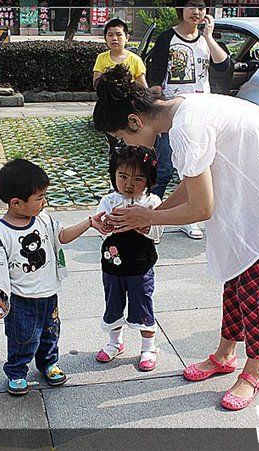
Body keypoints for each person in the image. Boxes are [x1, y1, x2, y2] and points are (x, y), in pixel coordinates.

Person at [94, 65, 259, 410]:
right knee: (235, 277)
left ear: (134, 121)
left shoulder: (187, 126)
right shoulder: (182, 107)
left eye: (121, 139)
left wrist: (150, 216)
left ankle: (253, 372)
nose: (123, 147)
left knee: (254, 289)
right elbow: (192, 182)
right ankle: (224, 354)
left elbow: (201, 209)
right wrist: (147, 220)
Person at [0, 159, 107, 395]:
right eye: (39, 198)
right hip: (21, 299)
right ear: (16, 203)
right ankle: (16, 371)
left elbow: (62, 236)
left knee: (50, 332)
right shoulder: (0, 233)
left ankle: (48, 363)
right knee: (22, 337)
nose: (44, 202)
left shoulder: (43, 219)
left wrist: (89, 223)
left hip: (48, 294)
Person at [146, 0, 230, 240]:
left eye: (202, 7)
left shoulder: (206, 40)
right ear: (180, 9)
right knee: (164, 169)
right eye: (192, 6)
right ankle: (154, 217)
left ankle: (188, 216)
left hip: (202, 114)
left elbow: (224, 65)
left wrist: (209, 36)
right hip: (173, 114)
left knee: (195, 168)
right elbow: (155, 76)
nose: (197, 11)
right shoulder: (167, 38)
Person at [94, 145, 163, 371]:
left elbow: (158, 233)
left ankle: (148, 346)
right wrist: (104, 225)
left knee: (143, 304)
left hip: (140, 265)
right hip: (112, 265)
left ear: (149, 179)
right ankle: (115, 343)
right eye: (122, 176)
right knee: (113, 304)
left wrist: (145, 226)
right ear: (114, 175)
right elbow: (100, 225)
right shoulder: (110, 200)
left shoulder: (152, 203)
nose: (129, 184)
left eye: (138, 178)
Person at [93, 18, 147, 89]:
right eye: (110, 35)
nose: (114, 38)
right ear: (105, 38)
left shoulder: (136, 60)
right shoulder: (101, 58)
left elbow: (143, 87)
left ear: (127, 38)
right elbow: (96, 84)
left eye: (119, 35)